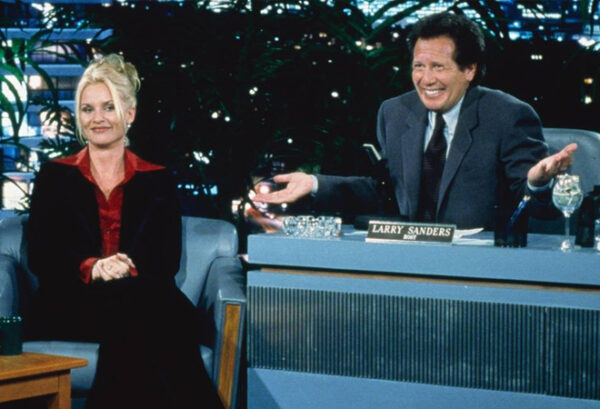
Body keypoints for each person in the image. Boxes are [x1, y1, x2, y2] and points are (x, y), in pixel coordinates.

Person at [24, 54, 223, 409]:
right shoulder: (54, 176)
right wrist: (94, 267)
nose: (97, 118)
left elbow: (165, 258)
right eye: (87, 109)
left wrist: (124, 269)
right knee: (151, 317)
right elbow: (41, 253)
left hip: (140, 297)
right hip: (72, 303)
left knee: (134, 308)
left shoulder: (157, 179)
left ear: (129, 114)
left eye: (109, 107)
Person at [254, 12, 577, 229]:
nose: (426, 79)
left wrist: (537, 182)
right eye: (418, 67)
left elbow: (538, 211)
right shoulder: (395, 113)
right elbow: (387, 193)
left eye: (438, 67)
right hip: (407, 262)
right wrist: (314, 184)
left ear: (469, 70)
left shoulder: (508, 116)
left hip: (480, 267)